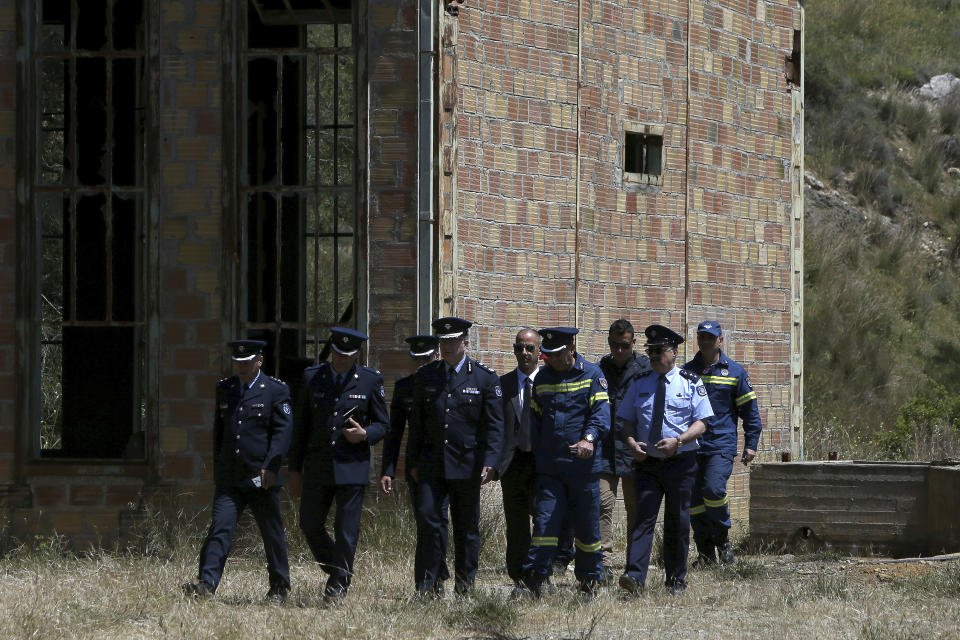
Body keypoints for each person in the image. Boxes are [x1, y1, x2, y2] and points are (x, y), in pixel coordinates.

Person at [183, 339, 293, 602]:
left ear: (259, 361)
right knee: (220, 528)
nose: (241, 367)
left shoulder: (275, 390)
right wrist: (218, 468)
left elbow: (283, 433)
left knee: (271, 531)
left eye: (246, 362)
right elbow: (219, 433)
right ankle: (207, 584)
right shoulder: (226, 388)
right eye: (238, 362)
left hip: (261, 476)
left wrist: (272, 465)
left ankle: (279, 586)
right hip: (231, 477)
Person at [287, 327, 389, 603]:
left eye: (349, 355)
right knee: (309, 524)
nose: (342, 359)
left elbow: (383, 424)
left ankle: (337, 585)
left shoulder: (369, 380)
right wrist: (293, 469)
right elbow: (300, 428)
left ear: (357, 354)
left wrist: (365, 434)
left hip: (351, 466)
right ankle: (339, 568)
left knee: (346, 529)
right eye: (338, 353)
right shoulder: (312, 378)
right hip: (318, 466)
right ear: (331, 350)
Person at [406, 317, 504, 597]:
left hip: (467, 464)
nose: (446, 346)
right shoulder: (426, 376)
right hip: (431, 465)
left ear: (465, 343)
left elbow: (495, 426)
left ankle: (464, 586)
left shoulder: (484, 378)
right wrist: (412, 462)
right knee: (428, 523)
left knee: (466, 529)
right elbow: (417, 425)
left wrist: (491, 462)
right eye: (442, 341)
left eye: (451, 341)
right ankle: (428, 585)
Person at [617, 324, 714, 597]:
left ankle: (675, 581)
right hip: (647, 464)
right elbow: (626, 422)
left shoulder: (691, 382)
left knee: (678, 521)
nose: (654, 356)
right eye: (651, 352)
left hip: (680, 462)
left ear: (674, 352)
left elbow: (702, 423)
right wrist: (631, 443)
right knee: (643, 519)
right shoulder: (639, 383)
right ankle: (634, 577)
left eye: (659, 351)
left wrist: (679, 441)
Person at [521, 327, 609, 599]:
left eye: (557, 354)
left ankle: (589, 582)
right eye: (548, 355)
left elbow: (601, 414)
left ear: (571, 348)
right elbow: (536, 419)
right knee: (545, 524)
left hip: (583, 470)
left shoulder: (592, 374)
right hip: (551, 469)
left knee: (586, 528)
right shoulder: (544, 378)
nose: (552, 360)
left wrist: (589, 439)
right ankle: (536, 578)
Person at [683, 320, 762, 566]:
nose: (706, 341)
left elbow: (750, 412)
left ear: (720, 341)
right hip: (693, 446)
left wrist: (751, 444)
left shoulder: (735, 372)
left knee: (713, 490)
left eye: (711, 337)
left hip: (721, 444)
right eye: (702, 337)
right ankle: (705, 553)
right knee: (694, 500)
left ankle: (723, 540)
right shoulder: (686, 371)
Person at [378, 334, 449, 585]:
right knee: (426, 519)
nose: (421, 365)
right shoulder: (405, 387)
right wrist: (388, 469)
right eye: (416, 360)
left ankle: (435, 575)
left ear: (436, 357)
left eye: (426, 359)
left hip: (450, 463)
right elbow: (393, 432)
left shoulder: (446, 382)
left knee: (438, 520)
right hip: (419, 464)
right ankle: (435, 573)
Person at [597, 319, 651, 581]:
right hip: (605, 449)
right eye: (614, 345)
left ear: (634, 343)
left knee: (636, 510)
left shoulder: (645, 370)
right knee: (601, 505)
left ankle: (634, 564)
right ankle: (604, 562)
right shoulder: (599, 369)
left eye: (624, 346)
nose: (619, 351)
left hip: (634, 450)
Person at [495, 328, 542, 595]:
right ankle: (519, 576)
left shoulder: (549, 382)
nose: (523, 353)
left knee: (543, 520)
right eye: (519, 348)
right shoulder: (503, 385)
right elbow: (494, 427)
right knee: (516, 523)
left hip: (542, 463)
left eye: (529, 348)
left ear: (539, 352)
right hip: (513, 465)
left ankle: (539, 574)